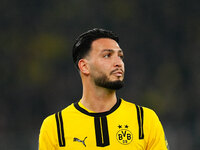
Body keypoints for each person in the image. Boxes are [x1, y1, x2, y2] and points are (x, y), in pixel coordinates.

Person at [39, 28, 169, 149]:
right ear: (84, 66)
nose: (118, 63)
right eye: (107, 55)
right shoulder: (55, 127)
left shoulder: (145, 120)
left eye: (120, 56)